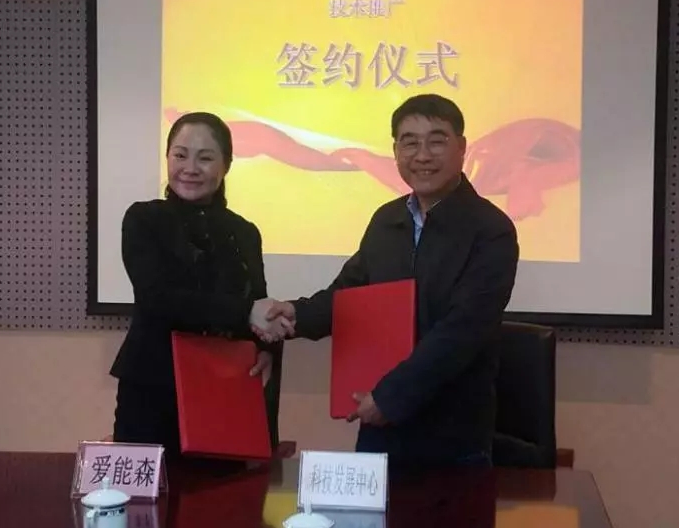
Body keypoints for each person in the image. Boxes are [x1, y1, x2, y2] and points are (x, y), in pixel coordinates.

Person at [257, 94, 519, 467]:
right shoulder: (386, 221)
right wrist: (294, 315)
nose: (422, 155)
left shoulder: (491, 230)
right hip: (380, 425)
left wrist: (392, 397)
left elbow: (463, 331)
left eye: (437, 141)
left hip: (452, 433)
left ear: (462, 148)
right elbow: (348, 296)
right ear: (395, 151)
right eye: (409, 142)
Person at [110, 112, 293, 459]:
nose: (190, 168)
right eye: (180, 155)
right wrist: (246, 312)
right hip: (153, 389)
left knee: (223, 490)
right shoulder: (143, 219)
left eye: (205, 158)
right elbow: (156, 298)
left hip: (224, 387)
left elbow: (258, 300)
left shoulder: (245, 232)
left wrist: (265, 348)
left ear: (226, 165)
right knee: (149, 490)